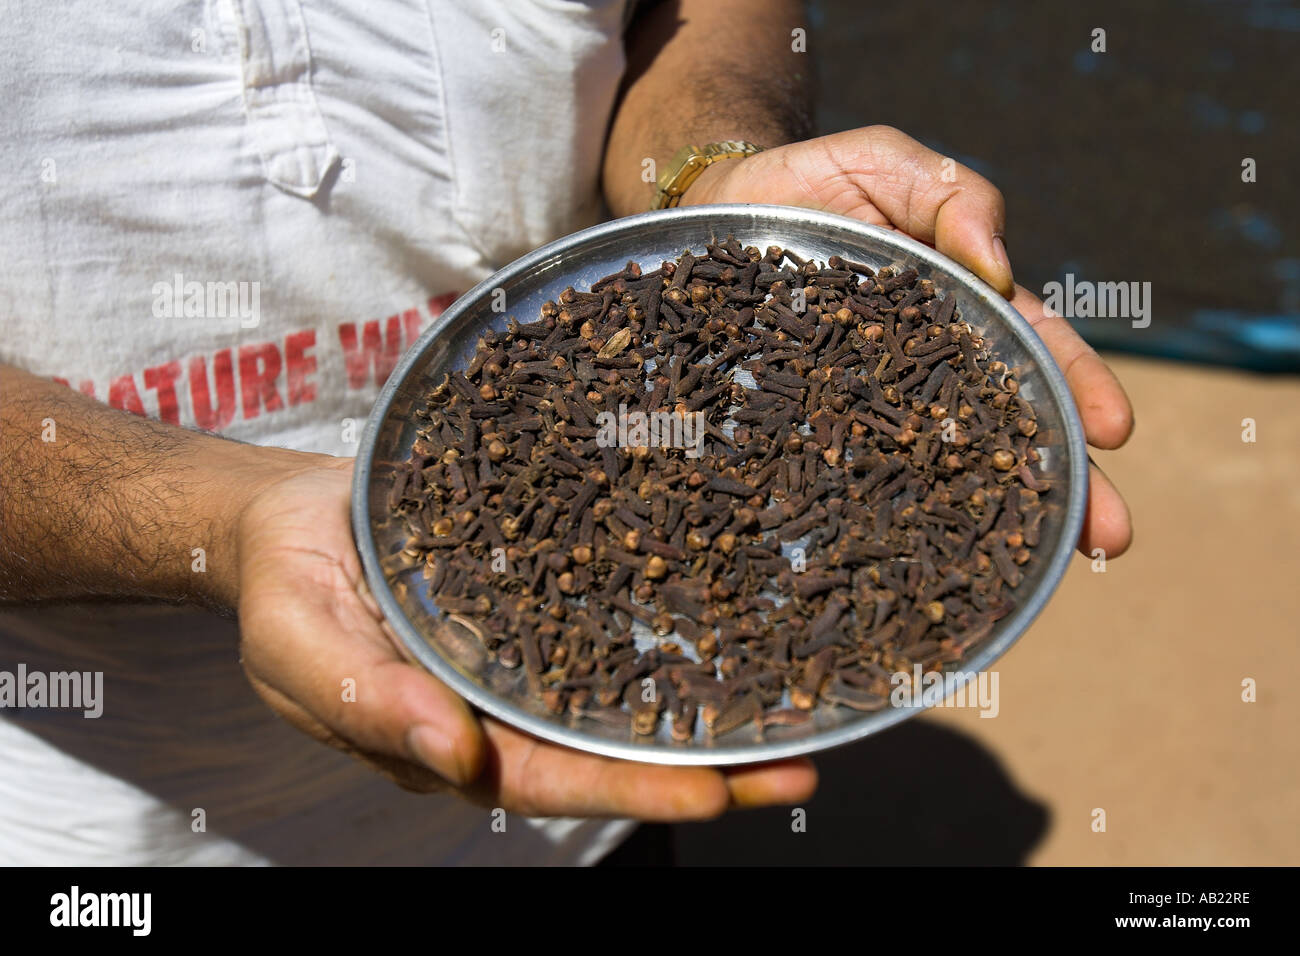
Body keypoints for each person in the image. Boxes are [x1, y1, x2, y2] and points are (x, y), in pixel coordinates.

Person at [0, 0, 1132, 865]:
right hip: (97, 830)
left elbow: (690, 18)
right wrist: (227, 520)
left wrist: (712, 175)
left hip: (601, 755)